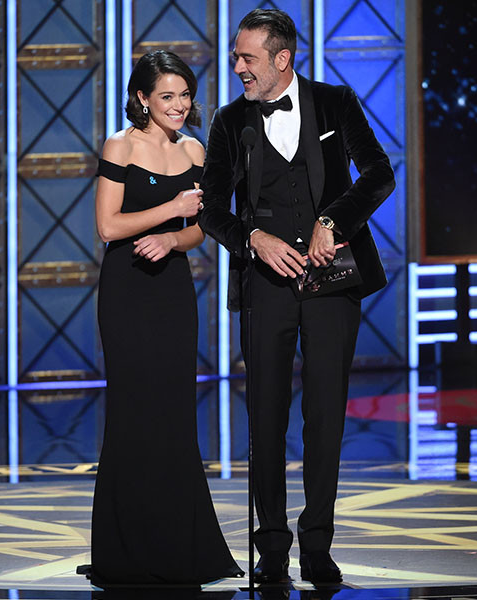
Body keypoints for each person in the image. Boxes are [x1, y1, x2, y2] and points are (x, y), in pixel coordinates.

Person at [198, 8, 395, 585]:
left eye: (247, 58)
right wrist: (252, 237)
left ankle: (317, 545)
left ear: (282, 59)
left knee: (325, 414)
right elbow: (210, 206)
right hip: (265, 287)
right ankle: (273, 550)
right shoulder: (231, 121)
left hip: (331, 283)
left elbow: (379, 173)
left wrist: (333, 221)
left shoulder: (335, 102)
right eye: (237, 57)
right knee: (265, 416)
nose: (237, 67)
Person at [88, 49, 243, 587]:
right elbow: (107, 226)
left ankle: (180, 543)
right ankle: (124, 548)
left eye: (184, 95)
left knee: (176, 415)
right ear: (142, 99)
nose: (179, 105)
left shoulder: (195, 150)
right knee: (134, 412)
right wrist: (170, 211)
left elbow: (200, 230)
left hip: (174, 289)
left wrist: (174, 236)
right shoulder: (121, 145)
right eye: (167, 96)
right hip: (127, 291)